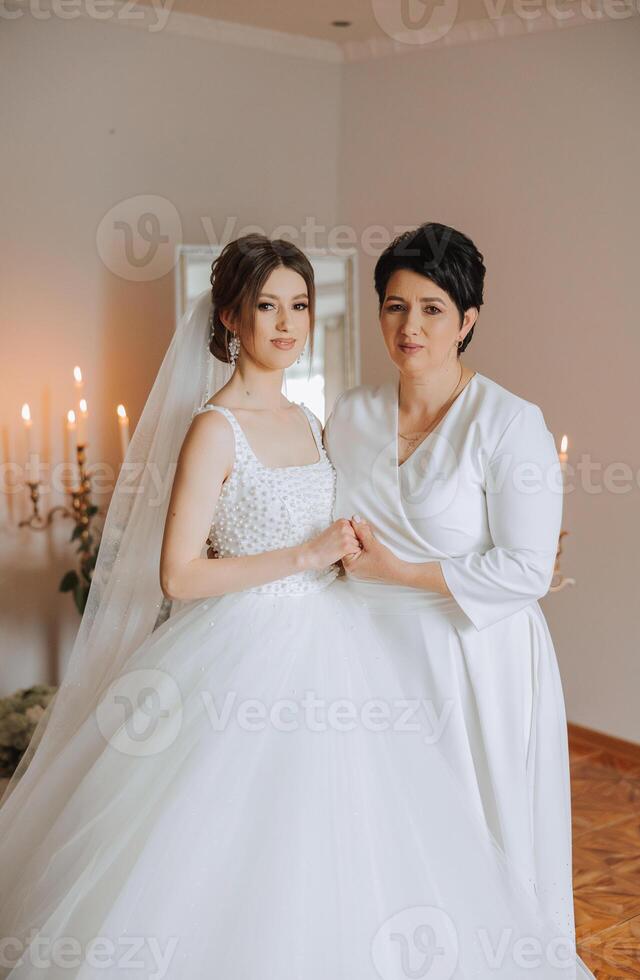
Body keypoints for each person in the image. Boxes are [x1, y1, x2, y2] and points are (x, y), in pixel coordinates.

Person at [0, 234, 582, 979]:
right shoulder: (235, 426)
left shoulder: (316, 420)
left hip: (354, 644)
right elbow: (179, 574)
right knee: (230, 834)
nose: (285, 322)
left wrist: (372, 565)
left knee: (369, 832)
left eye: (299, 306)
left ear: (468, 319)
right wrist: (309, 558)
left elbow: (493, 558)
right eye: (265, 306)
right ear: (229, 321)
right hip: (252, 650)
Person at [323, 221, 596, 979]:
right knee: (383, 830)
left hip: (476, 660)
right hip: (367, 655)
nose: (410, 327)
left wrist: (401, 574)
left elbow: (526, 569)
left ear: (468, 320)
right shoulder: (348, 416)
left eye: (433, 308)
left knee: (478, 828)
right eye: (395, 306)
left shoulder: (511, 424)